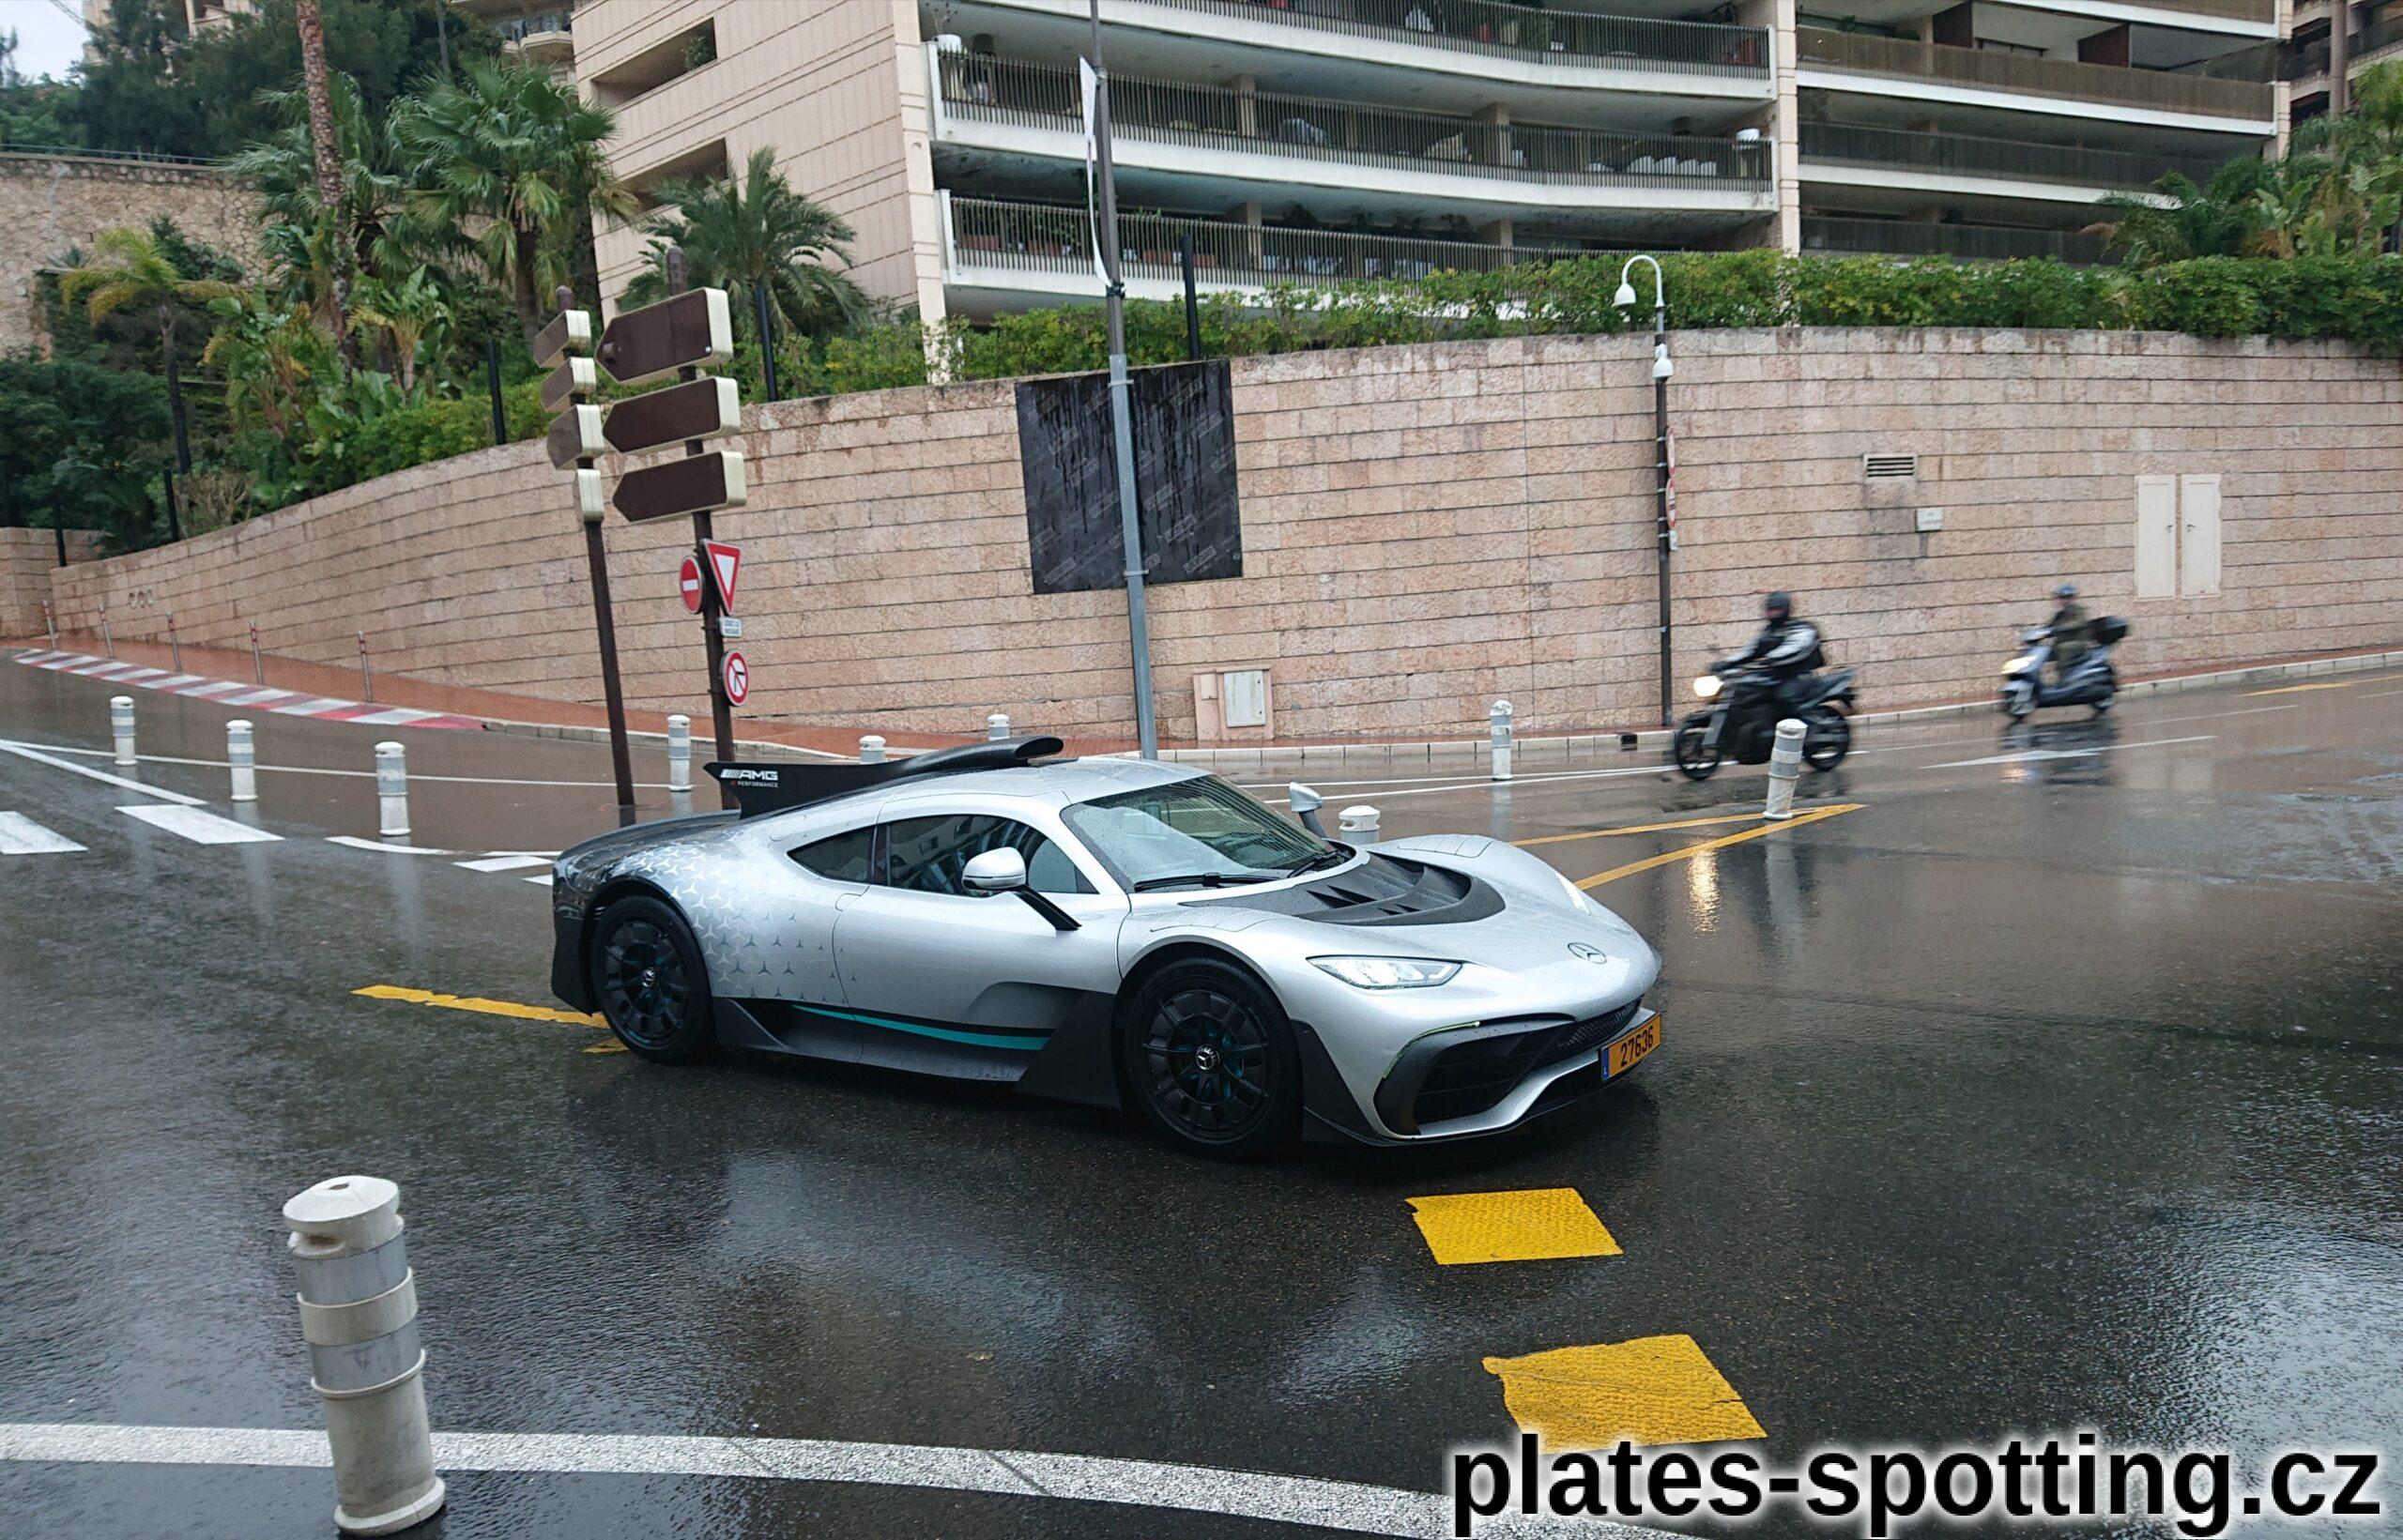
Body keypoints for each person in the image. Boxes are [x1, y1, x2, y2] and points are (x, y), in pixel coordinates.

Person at [1724, 591, 1825, 711]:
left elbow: (1793, 647)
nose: (1773, 613)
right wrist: (1727, 663)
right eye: (1770, 610)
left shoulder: (1801, 627)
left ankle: (1806, 721)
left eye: (1777, 609)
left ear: (1786, 609)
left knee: (1783, 697)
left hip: (1798, 677)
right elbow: (1749, 651)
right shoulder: (1767, 632)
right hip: (1774, 677)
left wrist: (1770, 659)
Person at [2046, 583, 2091, 679]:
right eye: (2060, 597)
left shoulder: (2078, 610)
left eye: (2065, 597)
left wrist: (2062, 628)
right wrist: (2038, 633)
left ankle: (2066, 679)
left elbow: (2079, 622)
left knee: (2063, 649)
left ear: (2071, 598)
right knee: (2043, 651)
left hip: (2077, 642)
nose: (2061, 600)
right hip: (2061, 643)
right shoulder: (2060, 614)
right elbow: (2049, 627)